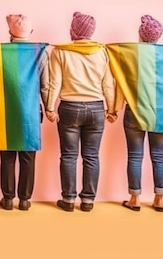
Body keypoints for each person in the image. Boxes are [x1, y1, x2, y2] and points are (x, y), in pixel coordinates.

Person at [46, 12, 115, 212]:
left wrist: (50, 107)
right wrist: (111, 109)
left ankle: (68, 200)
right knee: (91, 157)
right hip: (96, 108)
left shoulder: (60, 51)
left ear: (73, 31)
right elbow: (108, 84)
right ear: (91, 32)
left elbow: (54, 82)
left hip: (69, 107)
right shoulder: (102, 52)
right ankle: (88, 201)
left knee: (68, 156)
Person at [0, 15, 49, 211]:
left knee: (8, 155)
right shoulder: (40, 52)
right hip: (31, 110)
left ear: (10, 33)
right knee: (28, 155)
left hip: (6, 109)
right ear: (31, 32)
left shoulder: (1, 51)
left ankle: (8, 198)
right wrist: (49, 107)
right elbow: (45, 85)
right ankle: (25, 199)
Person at [117, 15, 163, 212]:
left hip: (135, 111)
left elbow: (122, 83)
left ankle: (134, 199)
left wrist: (114, 109)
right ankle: (159, 200)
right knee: (159, 157)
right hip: (161, 113)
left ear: (140, 34)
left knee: (135, 156)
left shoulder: (132, 55)